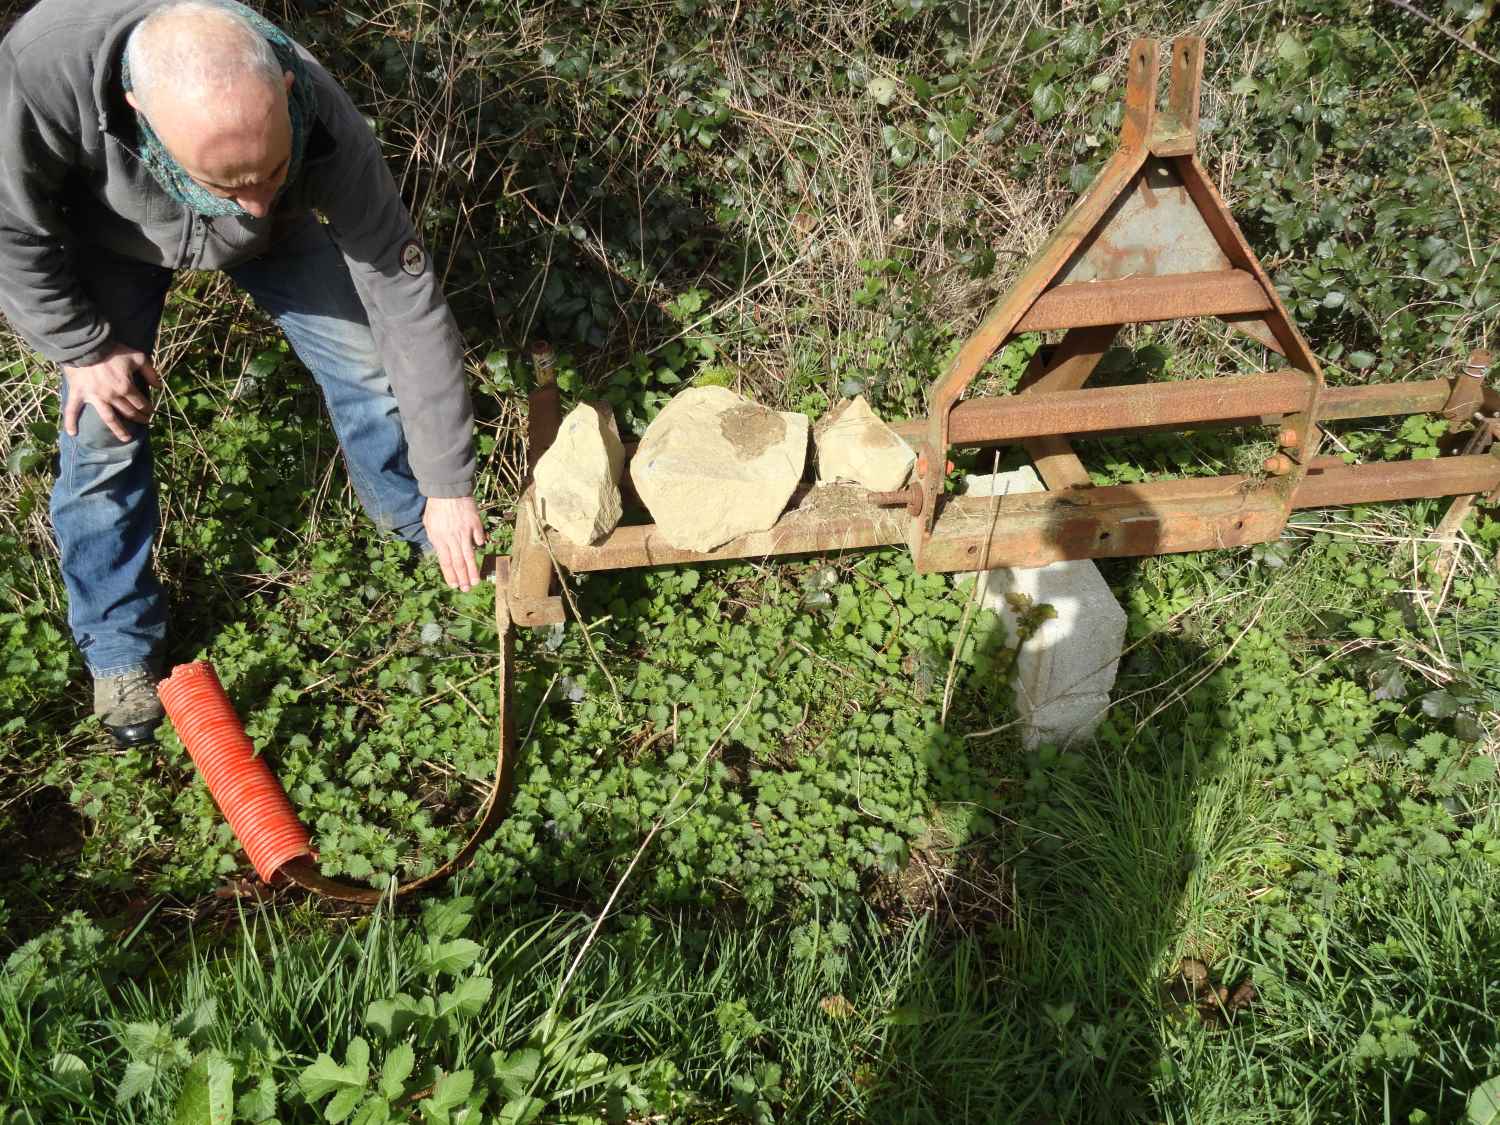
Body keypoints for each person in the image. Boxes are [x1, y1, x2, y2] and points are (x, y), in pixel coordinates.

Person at [0, 0, 486, 746]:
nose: (254, 200)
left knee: (368, 362)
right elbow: (9, 225)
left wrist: (450, 484)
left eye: (273, 167)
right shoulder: (41, 69)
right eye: (232, 184)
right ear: (137, 114)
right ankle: (121, 647)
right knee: (102, 427)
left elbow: (402, 291)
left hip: (283, 242)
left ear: (286, 94)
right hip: (110, 233)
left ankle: (414, 526)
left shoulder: (319, 111)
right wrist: (81, 348)